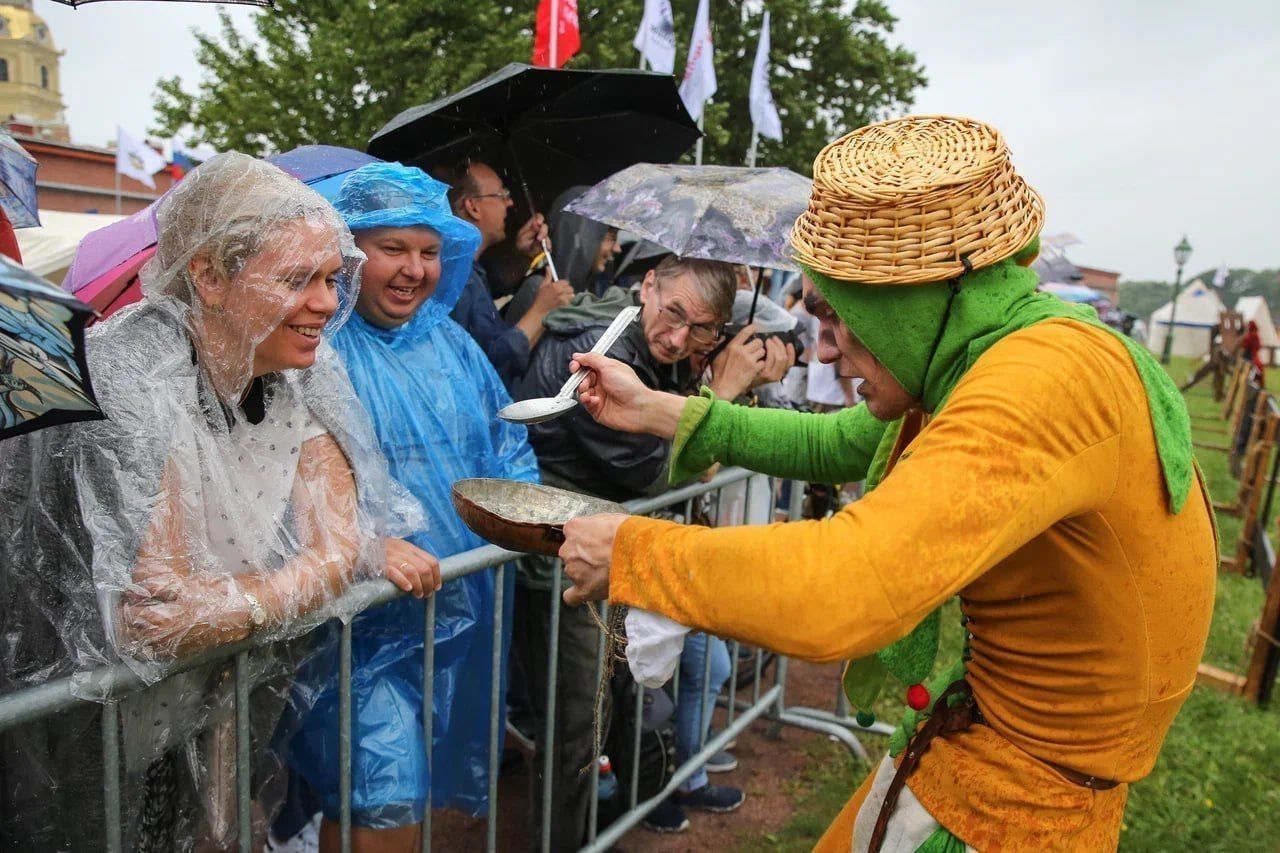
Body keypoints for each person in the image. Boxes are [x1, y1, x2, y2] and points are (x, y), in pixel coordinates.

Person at [556, 115, 1216, 851]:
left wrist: (637, 553)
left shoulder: (1038, 381)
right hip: (984, 750)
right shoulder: (993, 350)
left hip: (1007, 807)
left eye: (841, 313)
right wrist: (656, 408)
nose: (825, 348)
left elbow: (849, 584)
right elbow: (840, 439)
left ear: (909, 304)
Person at [0, 153, 434, 850]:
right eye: (297, 279)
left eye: (330, 277)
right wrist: (301, 580)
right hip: (91, 716)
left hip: (209, 697)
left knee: (215, 828)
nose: (326, 302)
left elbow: (341, 540)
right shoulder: (132, 371)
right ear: (208, 275)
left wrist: (242, 601)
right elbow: (154, 620)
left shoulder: (303, 367)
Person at [282, 163, 540, 853]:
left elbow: (504, 438)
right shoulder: (313, 348)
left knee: (384, 794)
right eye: (393, 249)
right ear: (350, 253)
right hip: (355, 628)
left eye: (429, 252)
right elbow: (277, 486)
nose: (414, 270)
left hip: (448, 614)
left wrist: (527, 507)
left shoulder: (449, 341)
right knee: (382, 791)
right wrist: (364, 548)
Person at [514, 255, 790, 845]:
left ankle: (609, 821)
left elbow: (683, 454)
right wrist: (724, 391)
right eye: (673, 315)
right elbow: (657, 475)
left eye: (703, 330)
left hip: (612, 550)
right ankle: (562, 840)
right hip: (565, 561)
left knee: (617, 707)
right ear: (647, 288)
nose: (679, 338)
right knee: (577, 727)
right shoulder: (600, 351)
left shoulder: (650, 349)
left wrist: (721, 389)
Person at [432, 159, 574, 392]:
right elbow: (486, 367)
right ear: (473, 206)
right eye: (501, 195)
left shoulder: (464, 264)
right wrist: (541, 310)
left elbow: (491, 285)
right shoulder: (452, 275)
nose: (509, 203)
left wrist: (522, 256)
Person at [504, 185, 623, 324]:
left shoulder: (582, 292)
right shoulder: (537, 289)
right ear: (584, 235)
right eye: (611, 237)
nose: (617, 248)